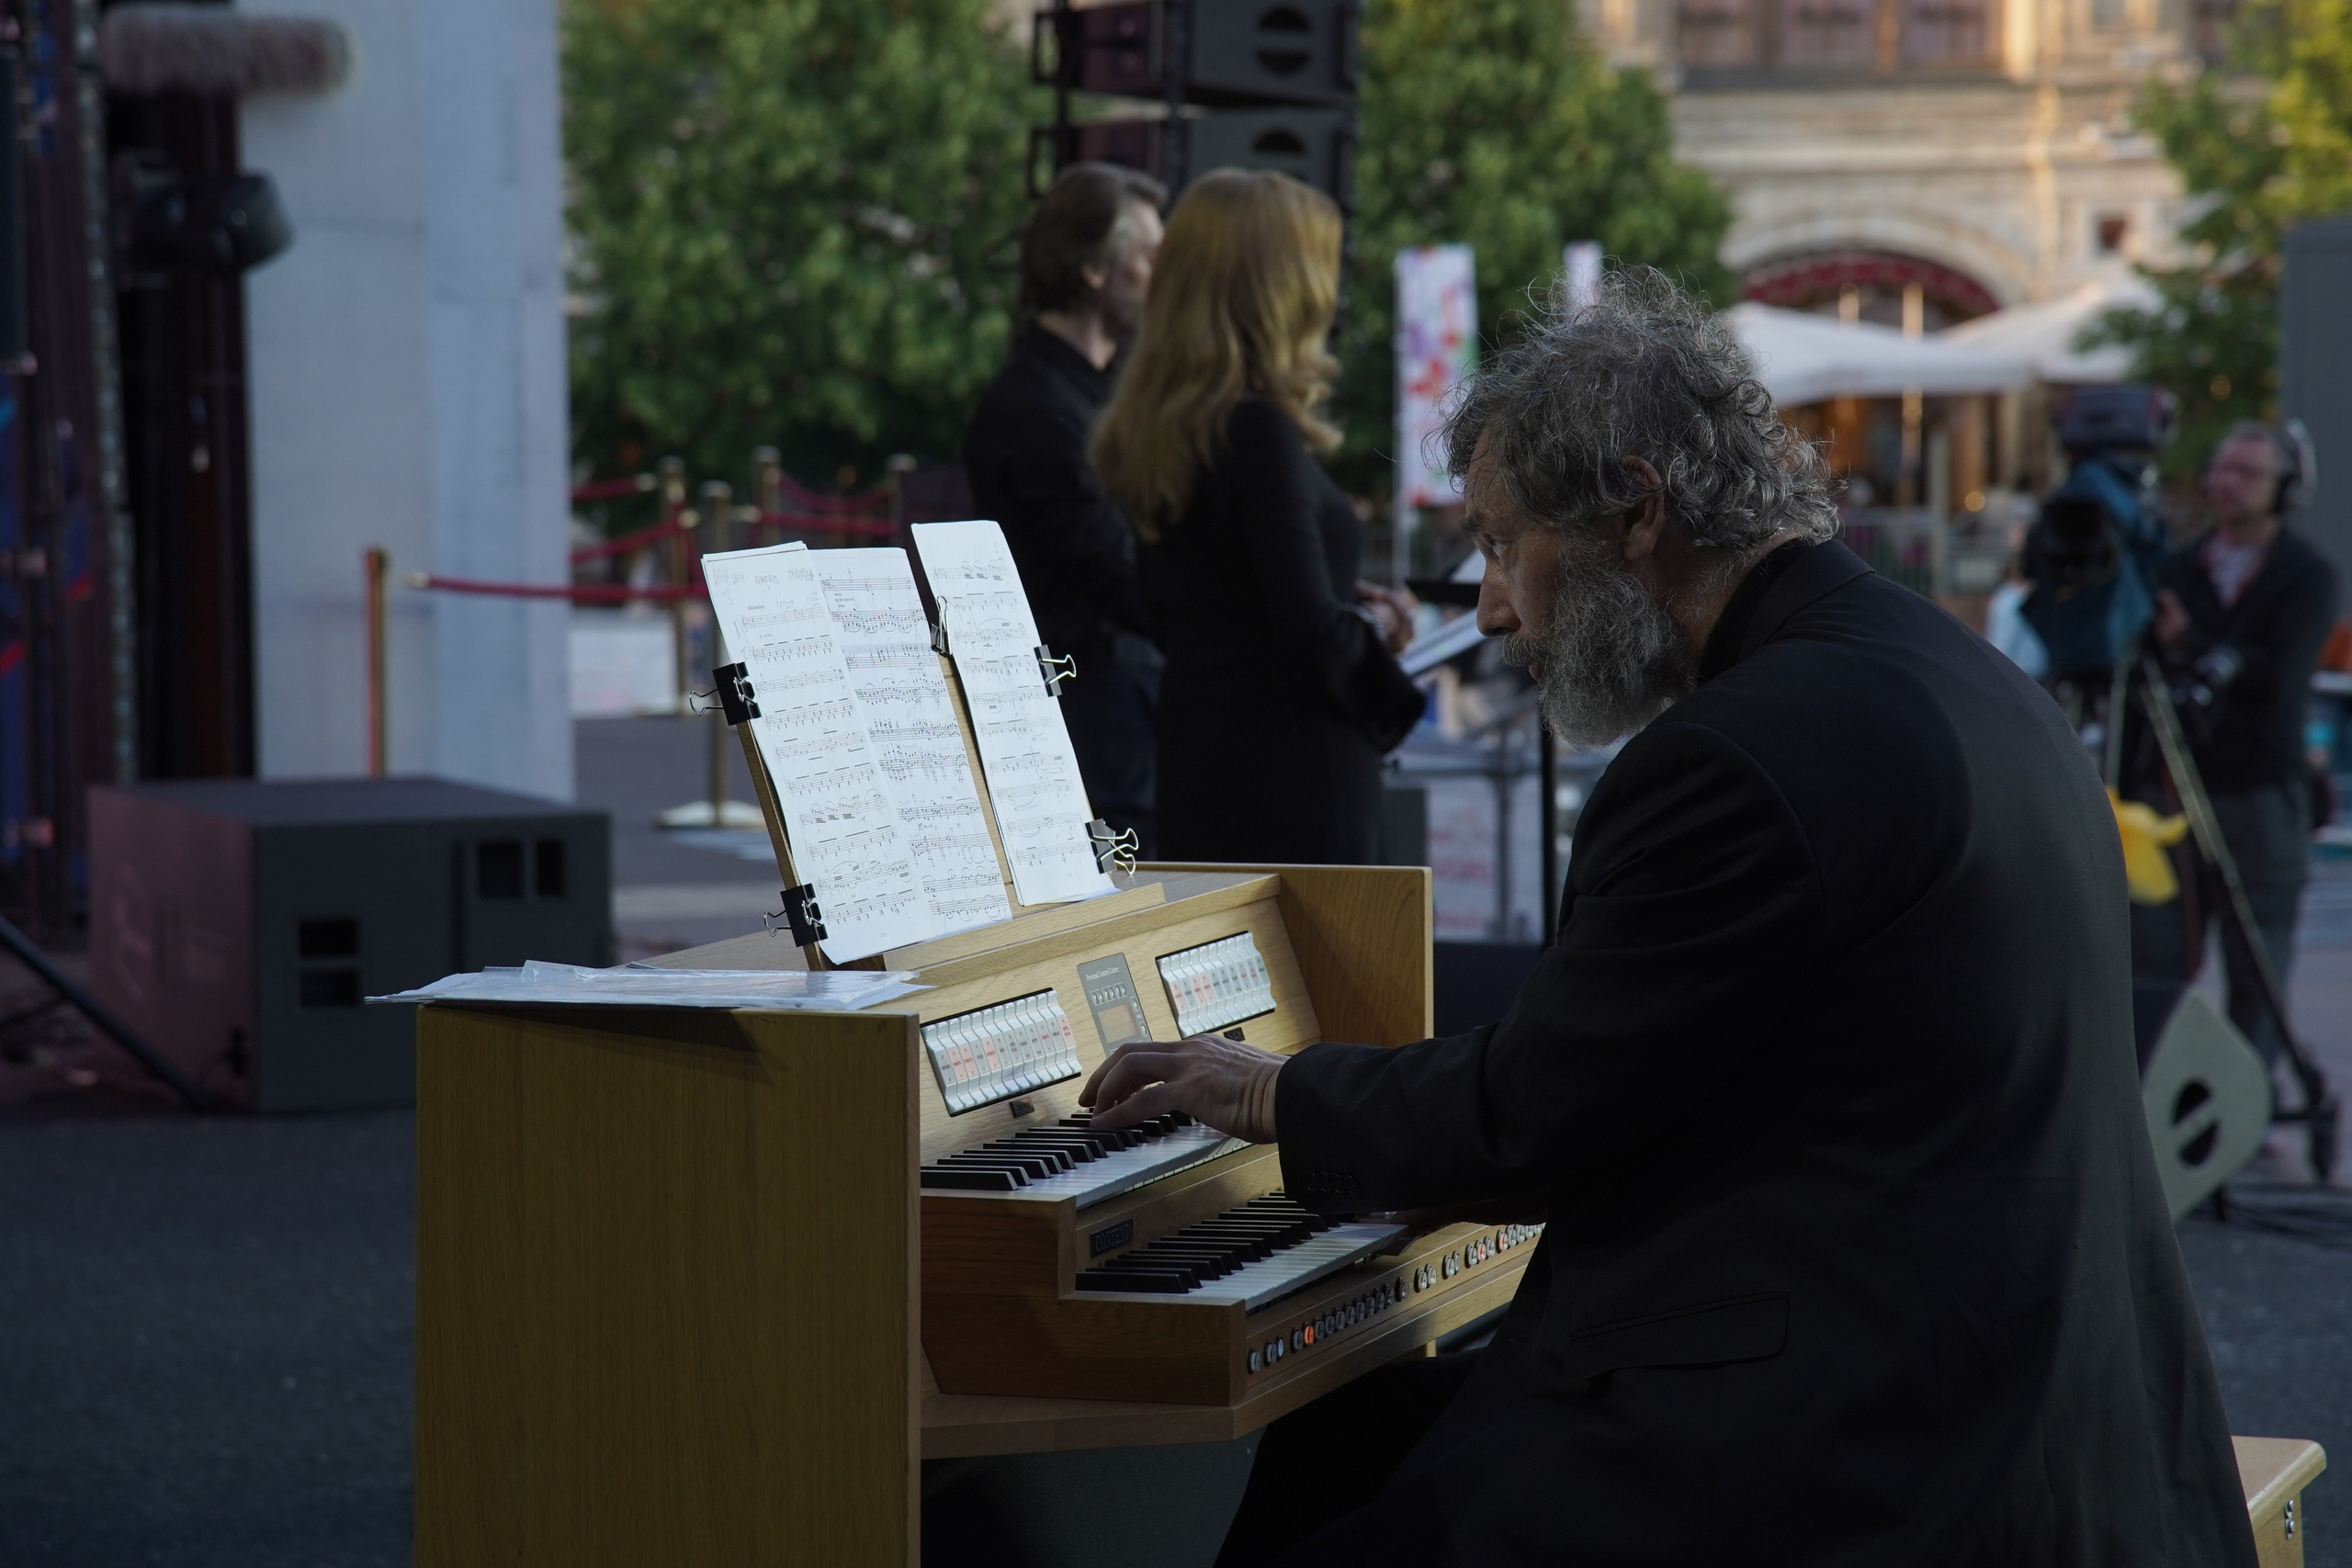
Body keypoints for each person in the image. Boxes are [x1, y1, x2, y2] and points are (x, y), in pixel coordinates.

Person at [1080, 271, 2254, 1566]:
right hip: (2021, 1396)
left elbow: (1531, 1114)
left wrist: (1273, 1095)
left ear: (1634, 508)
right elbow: (1725, 1073)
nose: (1491, 609)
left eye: (1500, 542)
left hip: (1871, 1456)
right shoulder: (1948, 672)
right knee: (1328, 1450)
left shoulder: (1735, 757)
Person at [1092, 169, 1422, 864]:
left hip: (1203, 768)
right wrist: (1382, 630)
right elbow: (1309, 634)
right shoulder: (1256, 432)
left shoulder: (1164, 434)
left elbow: (1182, 608)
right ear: (1278, 287)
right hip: (1300, 782)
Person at [964, 163, 1169, 857]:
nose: (1163, 278)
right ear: (1094, 269)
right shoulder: (1037, 406)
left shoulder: (1101, 394)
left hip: (1126, 727)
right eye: (1149, 258)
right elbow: (1120, 575)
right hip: (1089, 743)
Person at [2150, 422, 2337, 1066]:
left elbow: (2278, 676)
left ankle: (2245, 1102)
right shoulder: (2175, 566)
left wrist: (2192, 644)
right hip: (2177, 788)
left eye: (2248, 473)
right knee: (2160, 952)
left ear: (2285, 488)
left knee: (2258, 954)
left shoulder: (2305, 574)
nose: (2227, 484)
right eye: (2222, 469)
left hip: (2261, 788)